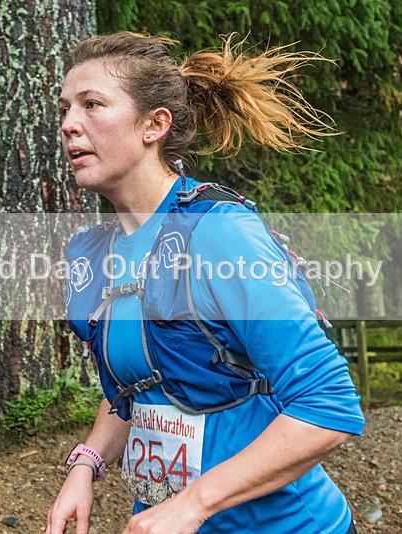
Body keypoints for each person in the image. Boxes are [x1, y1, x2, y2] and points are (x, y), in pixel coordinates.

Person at [47, 31, 365, 534]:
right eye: (65, 108)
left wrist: (192, 504)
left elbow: (328, 406)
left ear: (155, 125)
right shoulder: (94, 252)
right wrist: (86, 464)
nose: (69, 125)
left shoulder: (216, 234)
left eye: (92, 105)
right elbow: (138, 384)